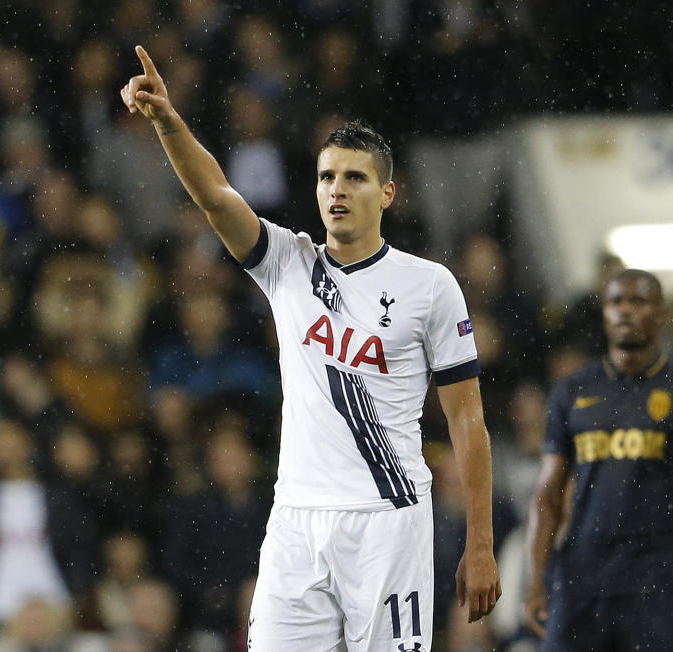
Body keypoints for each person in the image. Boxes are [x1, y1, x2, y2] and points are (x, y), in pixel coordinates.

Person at [120, 45, 500, 650]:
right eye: (327, 177)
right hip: (296, 518)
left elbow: (468, 419)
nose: (337, 189)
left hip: (388, 519)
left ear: (388, 194)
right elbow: (216, 196)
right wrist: (169, 122)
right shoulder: (287, 264)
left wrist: (479, 543)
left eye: (355, 177)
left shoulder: (430, 286)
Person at [524, 268, 673, 651]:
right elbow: (548, 494)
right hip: (582, 572)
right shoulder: (573, 389)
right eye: (615, 302)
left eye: (637, 301)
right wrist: (536, 578)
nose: (625, 311)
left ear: (661, 312)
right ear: (604, 313)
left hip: (657, 577)